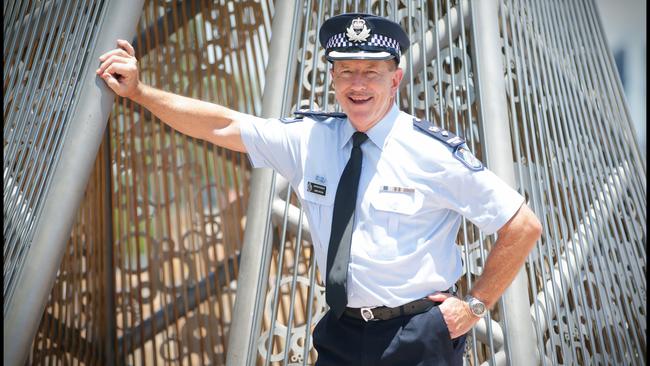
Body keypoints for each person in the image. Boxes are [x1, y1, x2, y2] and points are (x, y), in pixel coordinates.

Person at [97, 12, 542, 366]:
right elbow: (224, 123)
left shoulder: (431, 152)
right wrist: (139, 92)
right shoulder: (310, 139)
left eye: (372, 71)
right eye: (346, 71)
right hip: (341, 334)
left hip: (419, 337)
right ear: (332, 79)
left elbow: (521, 225)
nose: (358, 84)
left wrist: (475, 307)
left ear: (396, 79)